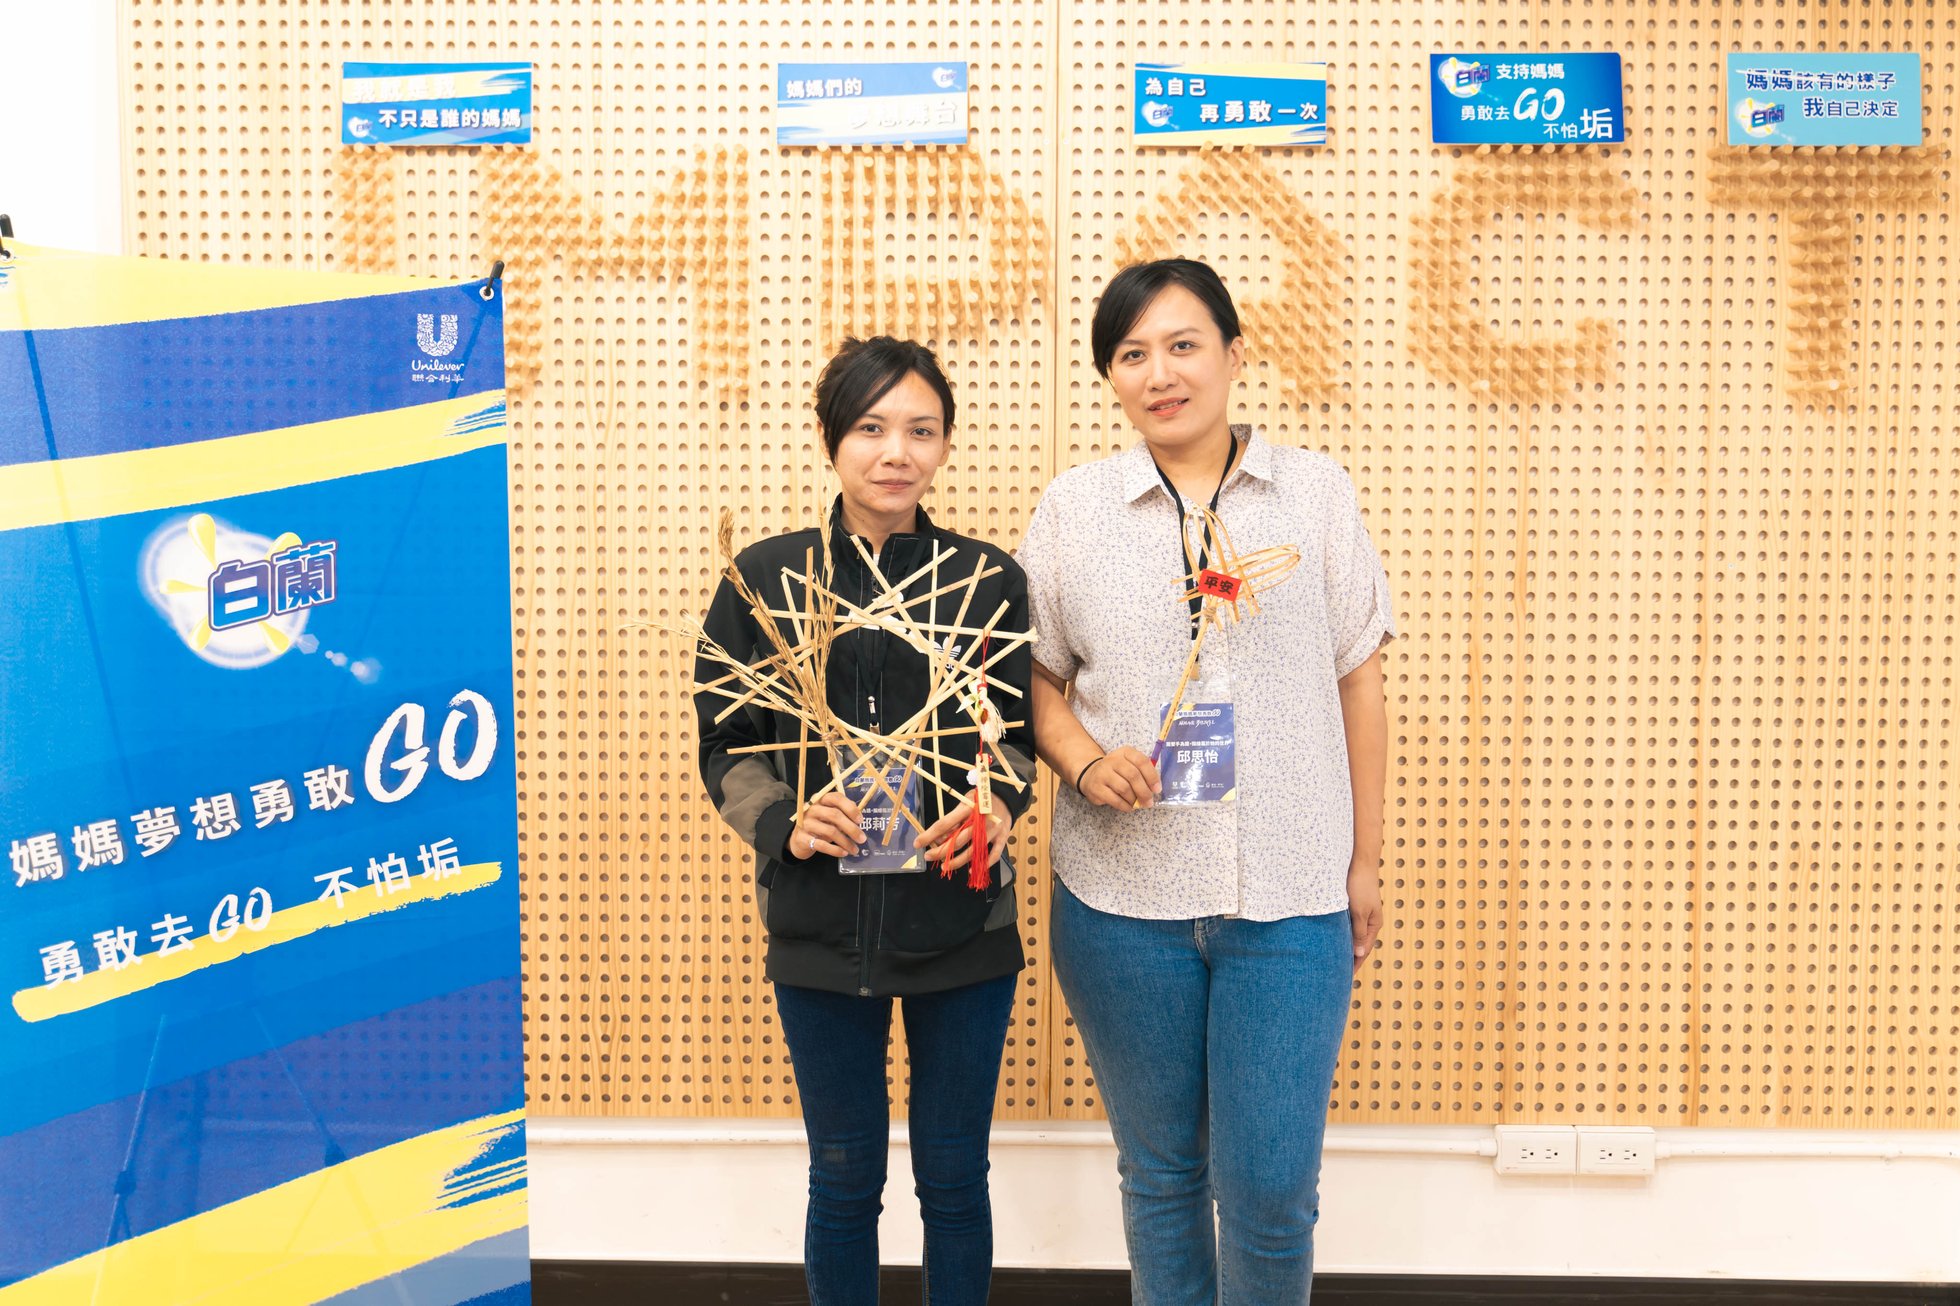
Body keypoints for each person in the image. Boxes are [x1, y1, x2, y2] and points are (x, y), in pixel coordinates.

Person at [1016, 258, 1394, 1303]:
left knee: (1271, 1191)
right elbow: (1033, 679)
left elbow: (1359, 683)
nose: (1160, 374)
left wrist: (1364, 861)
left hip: (1292, 893)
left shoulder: (1314, 492)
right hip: (1121, 899)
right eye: (1132, 354)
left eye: (1183, 345)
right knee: (1162, 1175)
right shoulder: (1074, 508)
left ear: (1234, 353)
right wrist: (1085, 760)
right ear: (1112, 376)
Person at [694, 335, 1035, 1306]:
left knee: (955, 1181)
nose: (897, 453)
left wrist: (994, 804)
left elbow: (1011, 735)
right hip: (818, 928)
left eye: (921, 431)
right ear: (831, 439)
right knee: (843, 1180)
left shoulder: (985, 580)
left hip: (961, 924)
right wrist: (787, 821)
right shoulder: (765, 579)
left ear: (946, 445)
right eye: (873, 429)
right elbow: (724, 740)